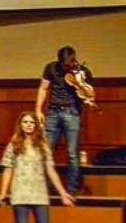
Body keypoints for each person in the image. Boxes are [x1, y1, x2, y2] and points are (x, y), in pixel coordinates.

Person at [0, 111, 76, 223]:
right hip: (20, 192)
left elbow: (51, 170)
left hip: (39, 193)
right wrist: (3, 193)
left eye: (31, 122)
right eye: (25, 122)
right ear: (20, 124)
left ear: (36, 125)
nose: (28, 125)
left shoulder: (42, 144)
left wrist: (63, 193)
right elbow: (8, 170)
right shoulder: (14, 144)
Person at [37, 46, 92, 195]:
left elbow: (88, 93)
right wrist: (38, 110)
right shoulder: (51, 68)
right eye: (63, 65)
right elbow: (43, 88)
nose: (66, 68)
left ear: (74, 60)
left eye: (68, 65)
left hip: (72, 112)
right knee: (47, 151)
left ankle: (72, 188)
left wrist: (86, 97)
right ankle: (47, 186)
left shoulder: (83, 72)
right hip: (53, 112)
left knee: (72, 153)